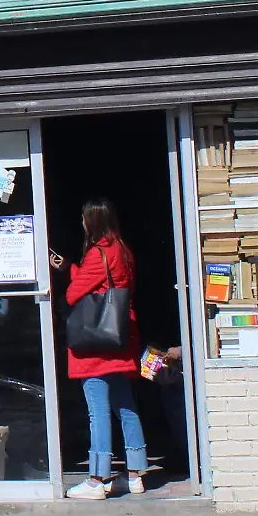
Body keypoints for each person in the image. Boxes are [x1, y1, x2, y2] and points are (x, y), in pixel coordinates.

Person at [52, 198, 149, 500]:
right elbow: (104, 286)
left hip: (96, 346)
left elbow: (73, 295)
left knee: (98, 411)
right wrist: (71, 266)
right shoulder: (123, 250)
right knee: (126, 407)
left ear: (91, 222)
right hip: (120, 337)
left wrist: (69, 273)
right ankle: (136, 474)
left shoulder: (99, 253)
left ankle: (98, 478)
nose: (81, 224)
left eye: (84, 219)